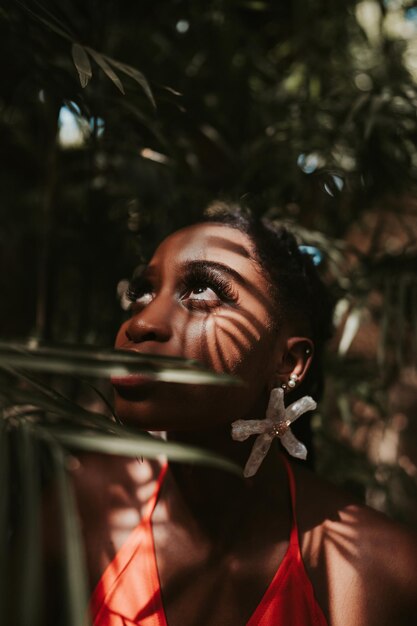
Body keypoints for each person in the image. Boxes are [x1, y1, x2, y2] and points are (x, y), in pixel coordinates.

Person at [70, 201, 417, 626]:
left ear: (289, 362)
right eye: (142, 293)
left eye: (203, 290)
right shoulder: (86, 507)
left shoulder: (376, 571)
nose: (141, 323)